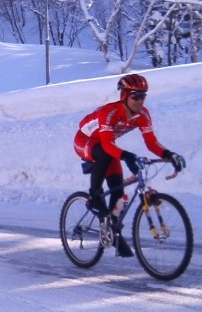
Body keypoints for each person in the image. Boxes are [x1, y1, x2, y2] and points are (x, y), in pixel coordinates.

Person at [73, 73, 186, 257]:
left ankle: (111, 231)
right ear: (124, 96)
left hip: (106, 146)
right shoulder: (109, 113)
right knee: (105, 155)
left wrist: (169, 155)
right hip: (85, 141)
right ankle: (94, 196)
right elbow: (108, 145)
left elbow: (151, 142)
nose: (140, 101)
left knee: (118, 193)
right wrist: (128, 157)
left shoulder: (143, 115)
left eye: (143, 96)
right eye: (135, 96)